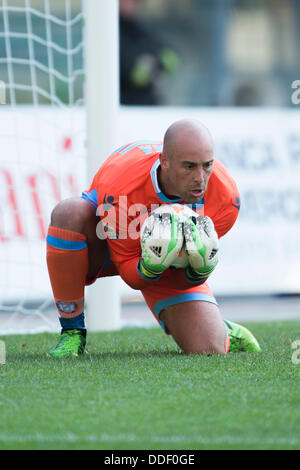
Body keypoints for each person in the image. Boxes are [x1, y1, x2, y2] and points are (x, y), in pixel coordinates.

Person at [46, 119, 261, 357]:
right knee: (69, 215)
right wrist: (149, 265)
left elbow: (180, 277)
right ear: (165, 162)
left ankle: (224, 331)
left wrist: (197, 271)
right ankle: (72, 332)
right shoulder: (121, 185)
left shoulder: (225, 200)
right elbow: (131, 273)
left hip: (166, 264)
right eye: (189, 167)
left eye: (207, 165)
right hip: (109, 242)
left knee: (209, 349)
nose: (200, 177)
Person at [119, 0, 179, 105]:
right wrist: (153, 68)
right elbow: (135, 74)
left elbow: (172, 58)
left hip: (149, 105)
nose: (133, 4)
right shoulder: (111, 34)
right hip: (124, 106)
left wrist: (152, 65)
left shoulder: (140, 30)